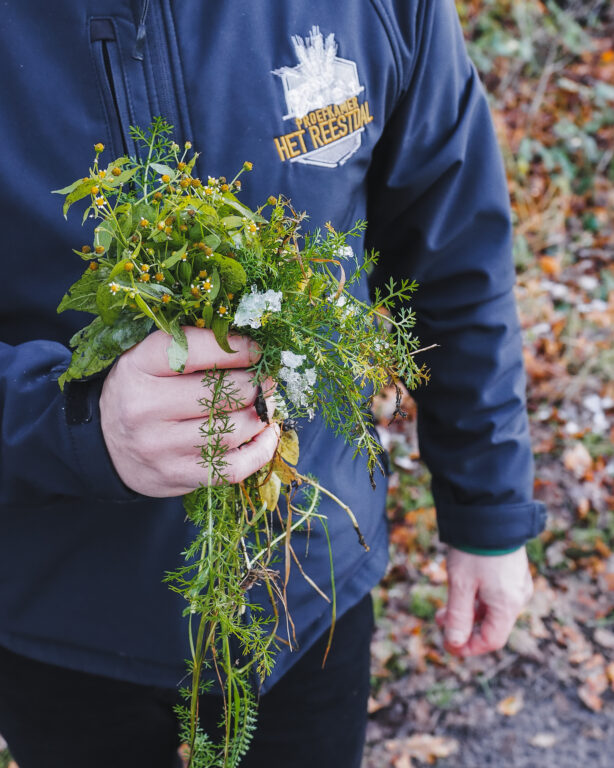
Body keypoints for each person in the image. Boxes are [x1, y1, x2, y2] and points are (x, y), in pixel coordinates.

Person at [0, 1, 546, 766]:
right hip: (60, 621)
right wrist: (73, 424)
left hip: (306, 597)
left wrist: (488, 508)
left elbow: (453, 247)